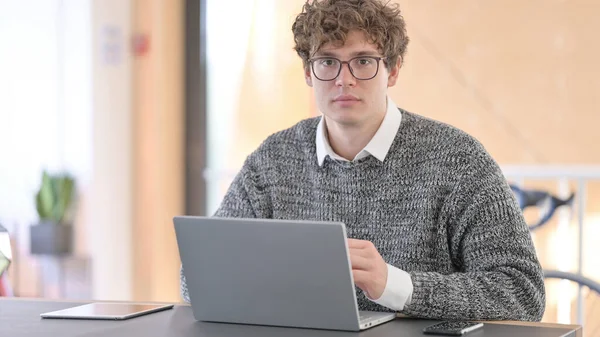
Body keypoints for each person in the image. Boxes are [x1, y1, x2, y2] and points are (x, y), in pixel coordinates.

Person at [181, 0, 546, 321]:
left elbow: (522, 292)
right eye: (327, 62)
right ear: (309, 72)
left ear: (394, 69)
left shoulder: (459, 160)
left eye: (363, 62)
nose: (344, 80)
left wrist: (395, 285)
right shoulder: (273, 160)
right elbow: (197, 279)